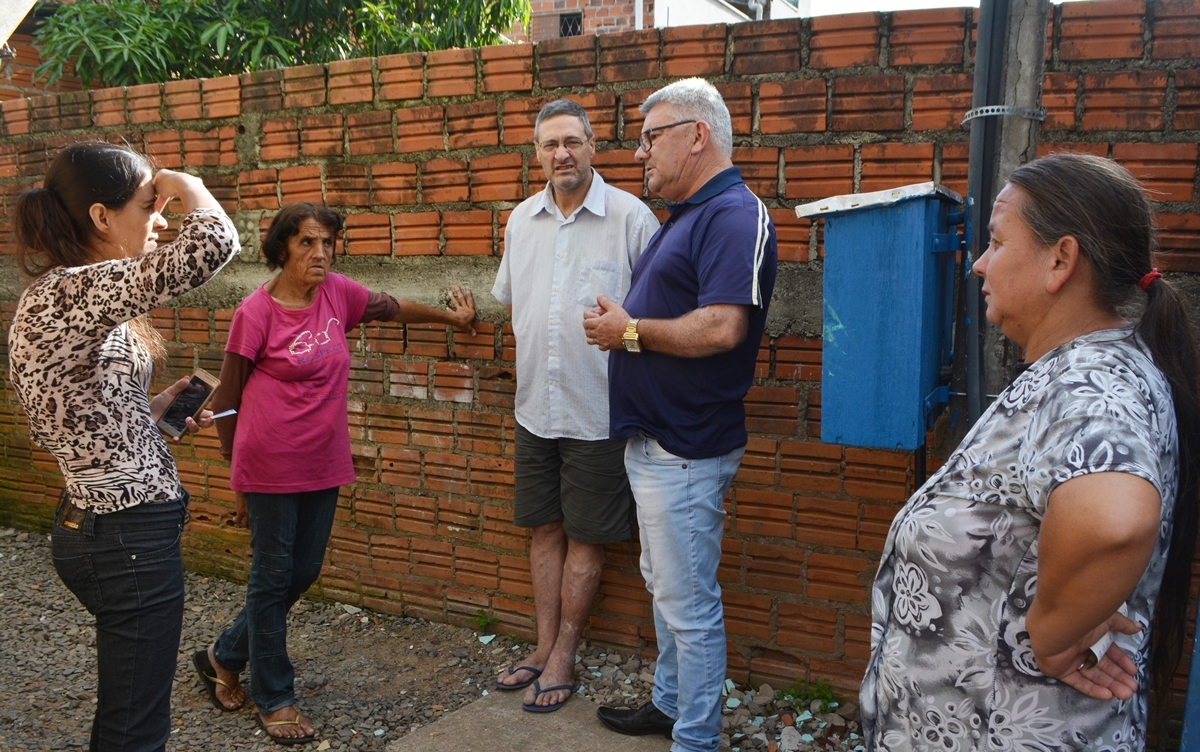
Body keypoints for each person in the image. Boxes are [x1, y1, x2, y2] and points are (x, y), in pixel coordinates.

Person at [860, 153, 1200, 751]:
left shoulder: (1091, 382)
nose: (980, 265)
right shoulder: (1079, 368)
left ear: (1060, 260)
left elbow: (1113, 517)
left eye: (996, 242)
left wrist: (1051, 635)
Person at [195, 202, 476, 744]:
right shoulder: (255, 313)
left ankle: (223, 654)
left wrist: (452, 319)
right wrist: (238, 484)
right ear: (282, 249)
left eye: (327, 243)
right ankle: (275, 696)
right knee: (272, 576)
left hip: (323, 460)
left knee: (302, 572)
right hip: (269, 464)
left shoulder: (337, 294)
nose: (320, 253)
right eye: (306, 243)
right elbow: (227, 401)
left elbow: (392, 308)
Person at [7, 142, 239, 751]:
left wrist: (155, 414)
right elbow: (212, 244)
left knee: (130, 709)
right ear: (102, 218)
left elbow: (76, 414)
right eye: (149, 205)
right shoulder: (69, 292)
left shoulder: (68, 297)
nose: (162, 218)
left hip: (106, 525)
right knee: (135, 725)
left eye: (164, 204)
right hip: (123, 536)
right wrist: (184, 181)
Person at [583, 78, 778, 752]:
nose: (639, 154)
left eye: (650, 138)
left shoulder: (733, 215)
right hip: (658, 443)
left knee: (689, 605)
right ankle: (670, 706)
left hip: (688, 448)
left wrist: (629, 332)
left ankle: (694, 738)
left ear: (698, 134)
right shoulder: (691, 215)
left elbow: (723, 327)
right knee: (666, 588)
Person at [490, 99, 659, 713]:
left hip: (598, 410)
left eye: (571, 141)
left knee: (587, 536)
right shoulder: (520, 221)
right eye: (548, 144)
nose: (561, 153)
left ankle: (563, 655)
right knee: (544, 527)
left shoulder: (631, 219)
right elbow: (514, 304)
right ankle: (540, 646)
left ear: (592, 145)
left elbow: (655, 319)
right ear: (536, 153)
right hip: (535, 404)